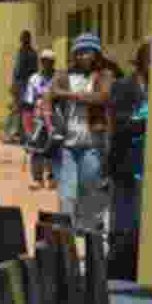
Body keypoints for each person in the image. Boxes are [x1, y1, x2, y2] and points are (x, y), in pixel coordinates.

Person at [49, 32, 113, 230]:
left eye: (88, 52)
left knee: (88, 193)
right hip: (66, 145)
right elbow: (50, 95)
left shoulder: (104, 75)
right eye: (79, 52)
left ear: (96, 53)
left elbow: (102, 97)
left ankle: (85, 234)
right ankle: (67, 238)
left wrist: (69, 95)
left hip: (92, 144)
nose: (83, 56)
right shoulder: (63, 75)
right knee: (67, 196)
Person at [106, 37, 151, 280]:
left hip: (151, 169)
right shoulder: (123, 87)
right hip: (127, 167)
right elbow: (119, 124)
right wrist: (148, 121)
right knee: (124, 226)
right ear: (142, 60)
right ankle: (117, 276)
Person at [25, 48, 59, 190]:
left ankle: (52, 177)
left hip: (55, 117)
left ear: (53, 62)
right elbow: (28, 103)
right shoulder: (34, 79)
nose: (47, 64)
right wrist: (27, 126)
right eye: (44, 61)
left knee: (53, 148)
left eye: (50, 61)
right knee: (36, 149)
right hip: (38, 118)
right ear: (41, 62)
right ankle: (38, 179)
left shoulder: (58, 78)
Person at [6, 30, 39, 144]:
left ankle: (23, 134)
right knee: (16, 109)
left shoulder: (32, 54)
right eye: (22, 39)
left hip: (27, 84)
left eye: (25, 38)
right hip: (19, 83)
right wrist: (13, 84)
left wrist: (33, 85)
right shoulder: (20, 52)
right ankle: (14, 133)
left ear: (28, 39)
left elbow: (34, 71)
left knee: (25, 110)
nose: (23, 41)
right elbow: (16, 69)